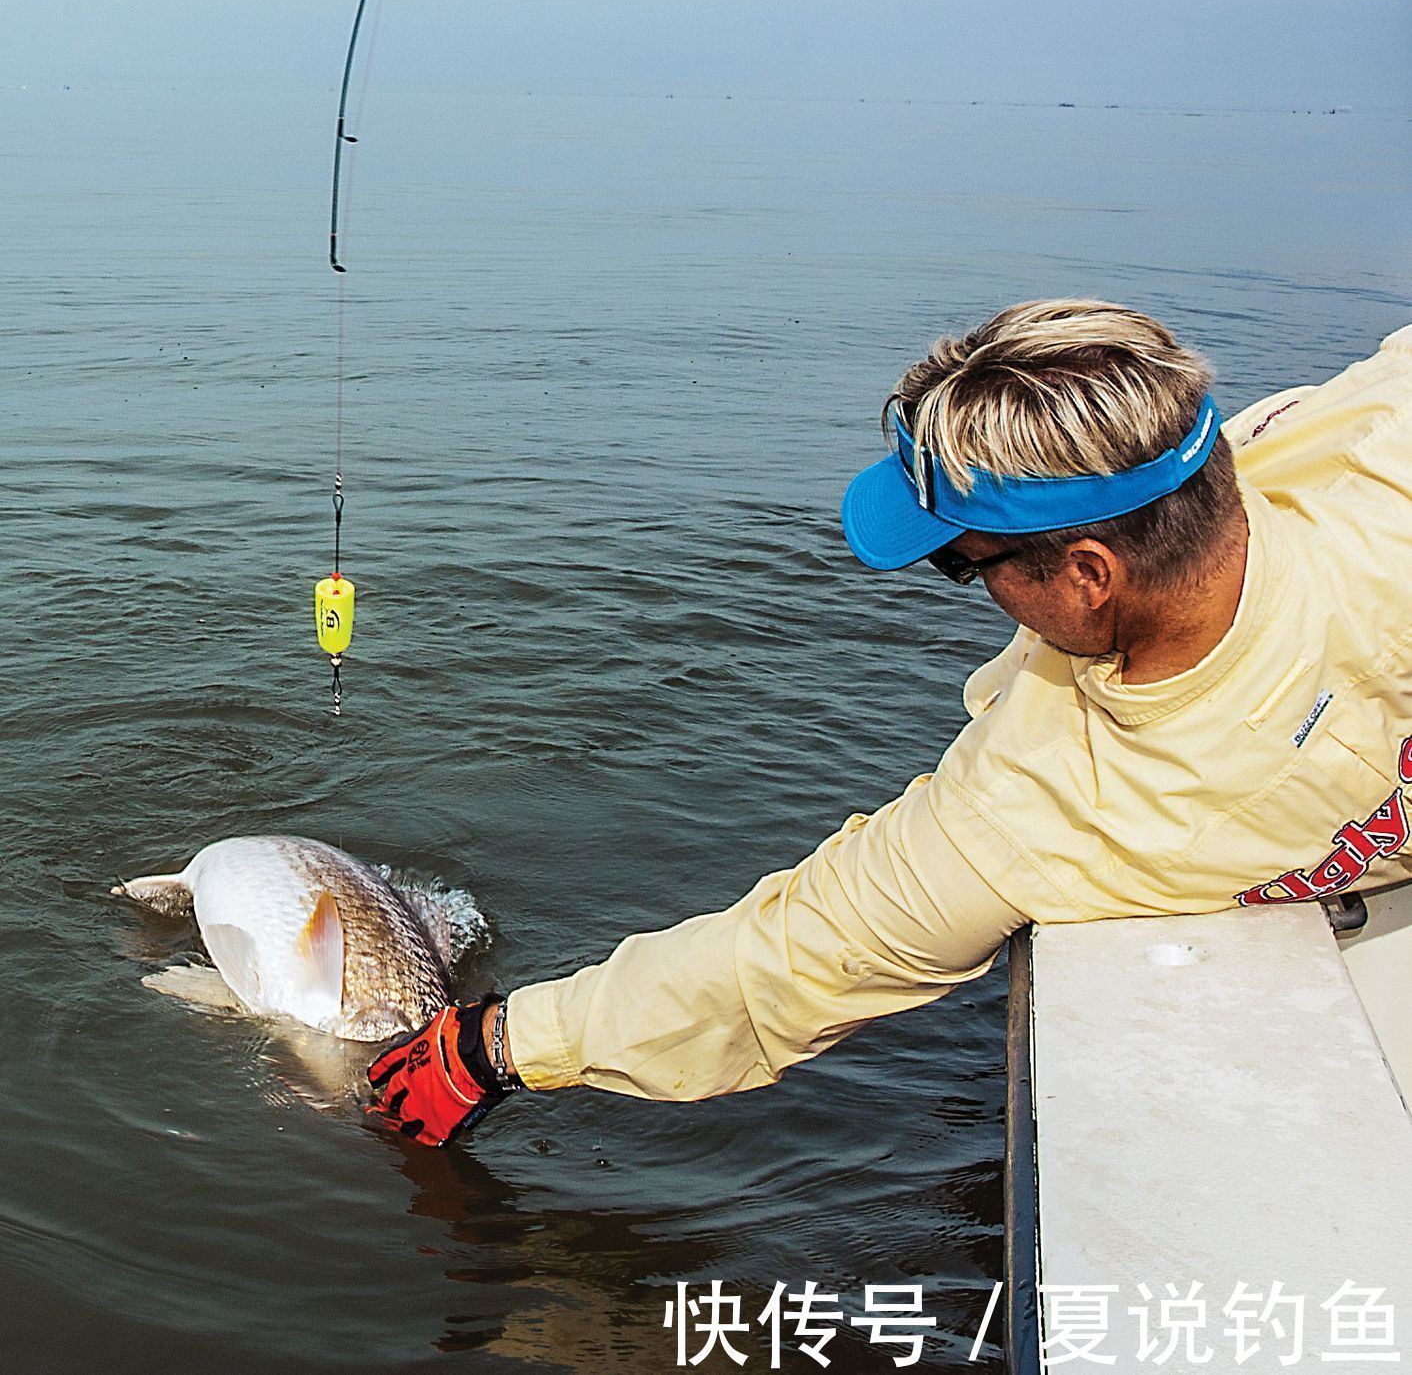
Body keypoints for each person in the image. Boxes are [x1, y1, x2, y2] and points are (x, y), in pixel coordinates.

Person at [367, 300, 1412, 1144]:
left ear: (1090, 574)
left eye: (961, 562)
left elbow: (797, 953)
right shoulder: (1367, 453)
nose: (965, 585)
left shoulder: (1066, 810)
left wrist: (491, 1048)